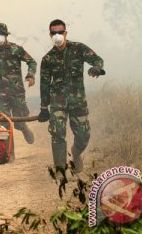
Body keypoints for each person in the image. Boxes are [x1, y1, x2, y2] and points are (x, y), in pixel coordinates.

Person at [38, 19, 105, 173]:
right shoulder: (47, 59)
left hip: (78, 101)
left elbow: (97, 59)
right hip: (58, 102)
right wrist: (44, 107)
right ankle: (60, 170)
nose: (57, 35)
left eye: (60, 32)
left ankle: (76, 153)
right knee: (57, 133)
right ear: (50, 35)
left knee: (83, 135)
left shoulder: (78, 48)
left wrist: (96, 68)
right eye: (54, 33)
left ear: (66, 33)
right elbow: (44, 84)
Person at [0, 23, 36, 145]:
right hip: (0, 93)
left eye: (1, 35)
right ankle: (10, 154)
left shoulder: (16, 49)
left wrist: (30, 75)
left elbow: (31, 62)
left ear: (6, 36)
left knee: (19, 121)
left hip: (16, 91)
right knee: (4, 124)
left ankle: (24, 129)